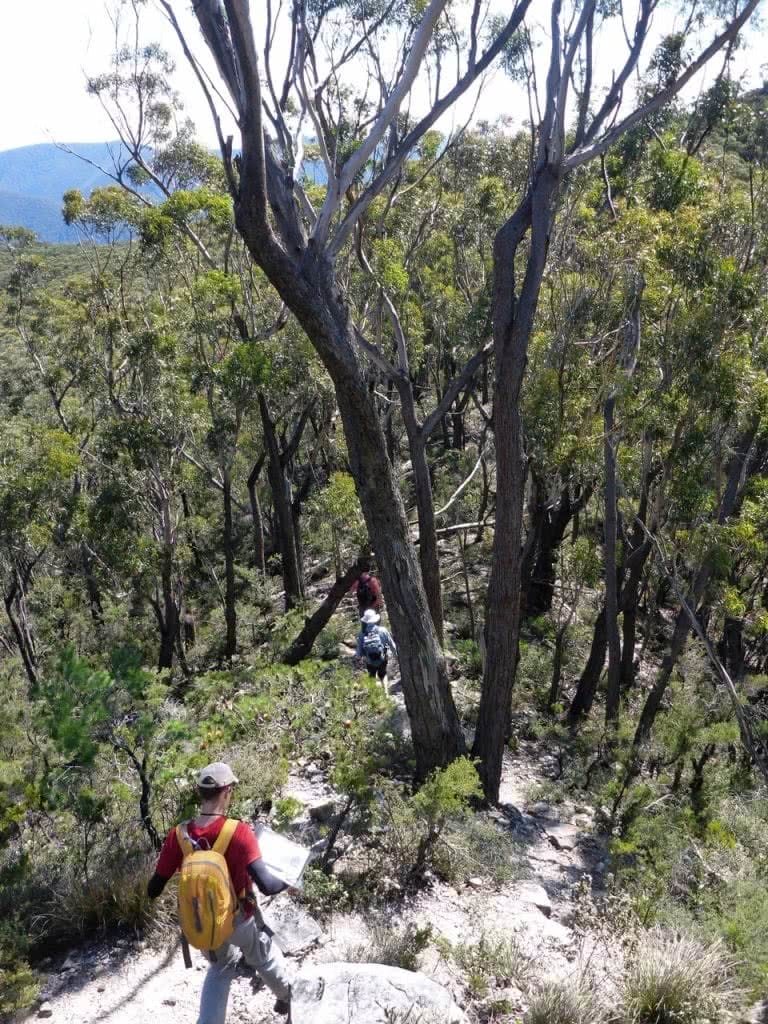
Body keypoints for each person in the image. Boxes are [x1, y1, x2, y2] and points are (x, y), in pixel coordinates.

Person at [147, 762, 293, 1023]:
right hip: (239, 918)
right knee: (261, 955)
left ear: (200, 793)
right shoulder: (239, 832)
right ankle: (287, 998)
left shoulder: (178, 835)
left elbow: (153, 889)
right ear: (226, 792)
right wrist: (289, 881)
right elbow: (268, 886)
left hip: (203, 922)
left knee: (220, 968)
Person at [355, 608, 397, 683]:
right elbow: (391, 644)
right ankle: (385, 690)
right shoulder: (383, 630)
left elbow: (359, 650)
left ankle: (373, 689)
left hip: (369, 661)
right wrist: (396, 655)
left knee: (372, 676)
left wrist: (358, 658)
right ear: (375, 620)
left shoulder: (361, 634)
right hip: (382, 659)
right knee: (383, 674)